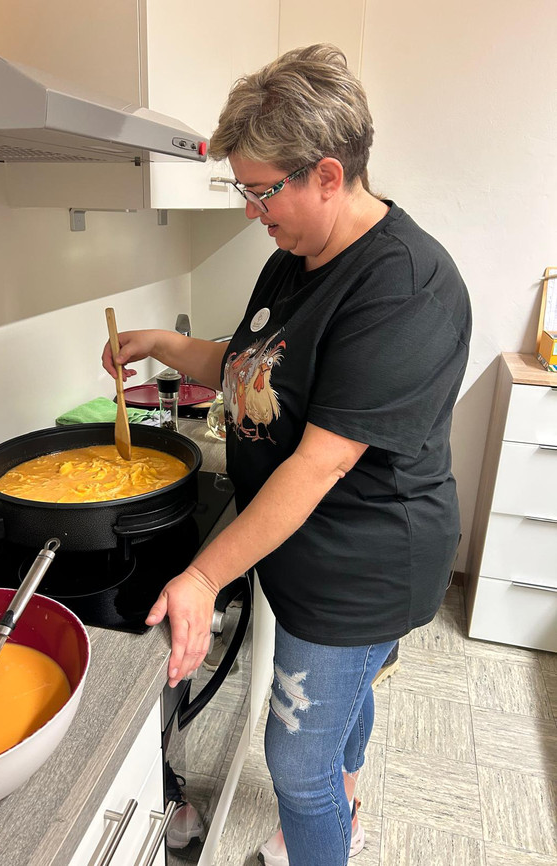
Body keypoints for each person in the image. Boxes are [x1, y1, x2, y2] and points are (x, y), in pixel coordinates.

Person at [102, 43, 471, 866]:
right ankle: (349, 804)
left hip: (362, 566)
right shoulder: (294, 260)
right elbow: (249, 368)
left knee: (297, 765)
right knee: (342, 709)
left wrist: (204, 577)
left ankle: (330, 818)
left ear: (328, 175)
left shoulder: (403, 287)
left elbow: (320, 463)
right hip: (309, 549)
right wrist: (162, 343)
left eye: (261, 190)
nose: (250, 210)